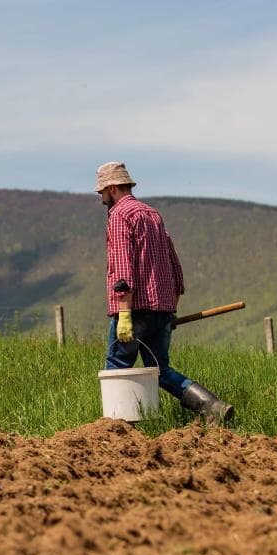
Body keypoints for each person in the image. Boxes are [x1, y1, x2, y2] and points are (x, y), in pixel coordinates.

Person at [94, 161, 233, 425]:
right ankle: (212, 406)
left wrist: (124, 313)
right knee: (159, 370)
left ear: (112, 187)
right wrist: (169, 310)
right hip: (162, 309)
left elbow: (122, 268)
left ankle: (117, 432)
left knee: (117, 369)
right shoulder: (152, 214)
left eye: (101, 192)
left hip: (134, 310)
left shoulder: (120, 216)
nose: (101, 198)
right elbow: (175, 268)